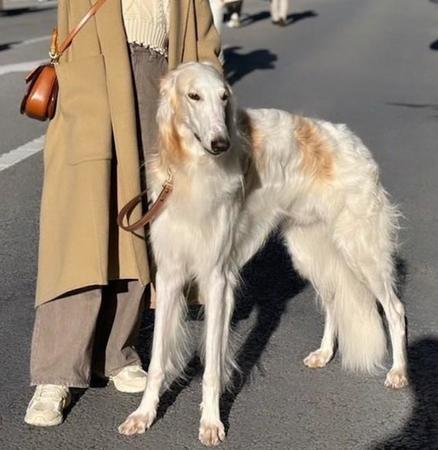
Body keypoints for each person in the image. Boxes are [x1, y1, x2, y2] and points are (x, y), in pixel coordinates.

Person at [24, 0, 220, 427]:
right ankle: (56, 372)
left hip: (157, 89)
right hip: (90, 93)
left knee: (139, 225)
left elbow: (203, 47)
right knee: (78, 229)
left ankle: (118, 352)